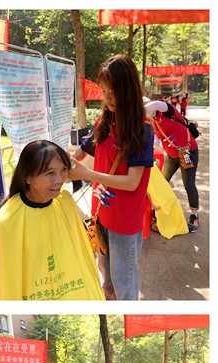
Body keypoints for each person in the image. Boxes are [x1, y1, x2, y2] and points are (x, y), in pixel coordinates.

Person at [69, 55, 154, 300]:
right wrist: (60, 163)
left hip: (124, 221)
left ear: (128, 90)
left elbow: (132, 182)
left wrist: (88, 174)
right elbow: (81, 151)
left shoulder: (141, 129)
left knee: (123, 281)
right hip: (100, 215)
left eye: (113, 91)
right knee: (105, 276)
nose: (108, 98)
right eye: (104, 91)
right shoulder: (103, 123)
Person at [0, 140, 104, 300]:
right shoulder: (4, 224)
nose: (59, 180)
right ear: (28, 176)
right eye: (50, 173)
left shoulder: (65, 202)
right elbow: (5, 284)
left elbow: (81, 255)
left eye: (64, 170)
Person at [145, 99, 200, 232]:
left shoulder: (166, 110)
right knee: (163, 183)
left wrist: (138, 108)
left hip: (187, 152)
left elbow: (155, 105)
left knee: (189, 184)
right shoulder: (152, 122)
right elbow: (156, 142)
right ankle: (161, 212)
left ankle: (194, 215)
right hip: (172, 155)